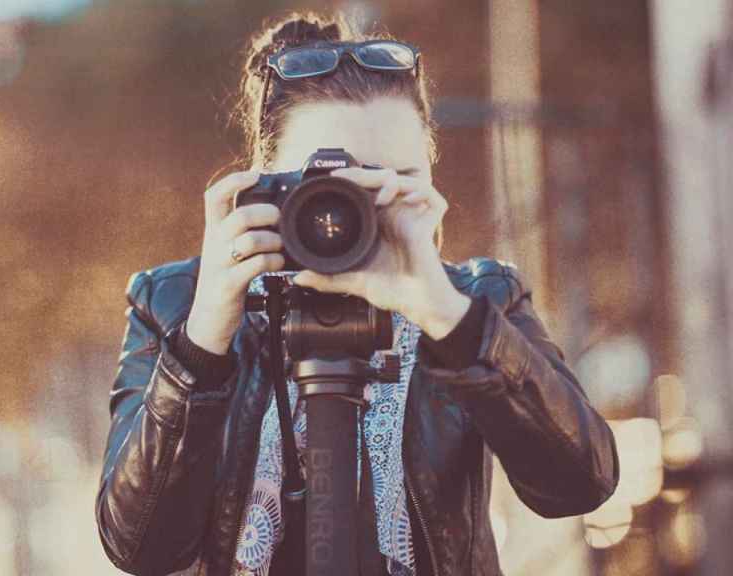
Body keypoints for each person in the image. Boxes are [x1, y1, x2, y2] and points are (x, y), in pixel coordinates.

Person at [96, 11, 619, 576]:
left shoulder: (475, 301)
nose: (353, 214)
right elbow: (140, 548)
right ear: (262, 182)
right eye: (328, 185)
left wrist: (446, 314)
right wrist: (202, 343)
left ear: (429, 183)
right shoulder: (175, 302)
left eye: (389, 184)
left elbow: (580, 484)